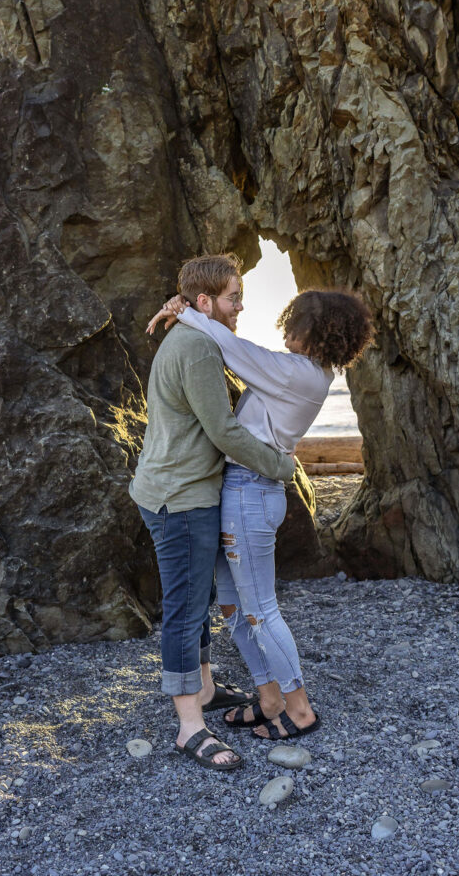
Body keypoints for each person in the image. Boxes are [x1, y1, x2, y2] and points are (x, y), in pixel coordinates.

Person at [146, 285, 374, 742]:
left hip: (251, 492)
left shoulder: (299, 373)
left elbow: (234, 349)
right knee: (234, 609)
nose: (287, 332)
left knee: (261, 612)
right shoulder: (302, 371)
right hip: (242, 491)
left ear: (316, 331)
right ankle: (269, 700)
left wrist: (186, 311)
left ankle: (300, 709)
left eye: (295, 324)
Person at [130, 254, 296, 772]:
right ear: (205, 302)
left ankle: (202, 689)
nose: (241, 306)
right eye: (233, 298)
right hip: (180, 497)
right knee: (184, 609)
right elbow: (223, 431)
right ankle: (189, 728)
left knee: (196, 599)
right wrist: (280, 466)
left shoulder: (189, 332)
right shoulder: (198, 346)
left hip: (171, 488)